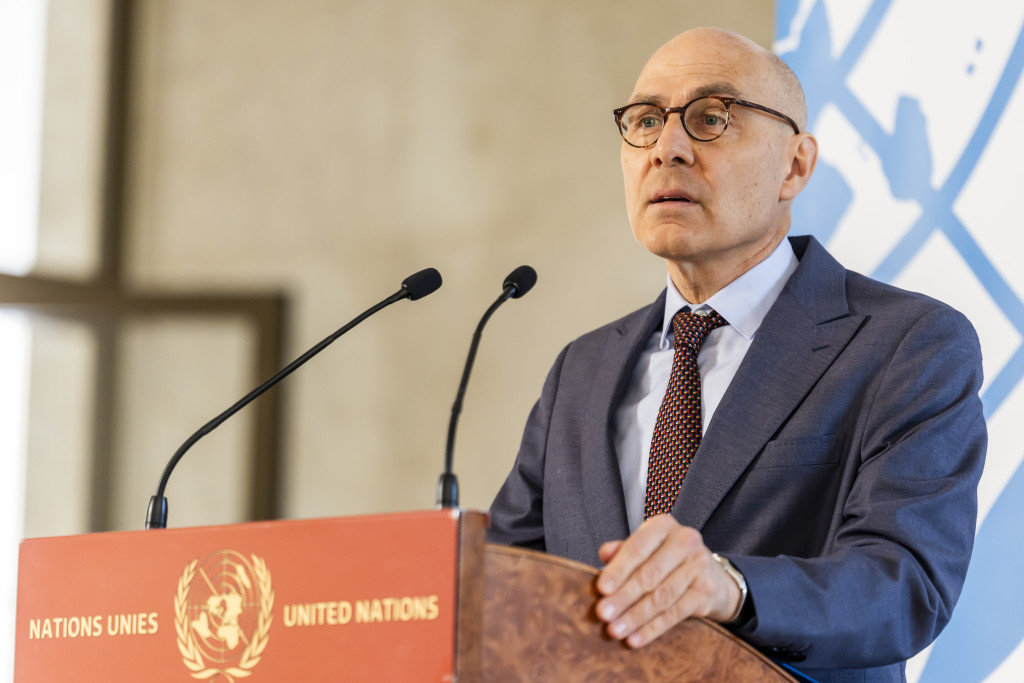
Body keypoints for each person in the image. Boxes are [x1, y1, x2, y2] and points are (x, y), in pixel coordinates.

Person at [486, 27, 986, 683]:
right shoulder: (581, 370)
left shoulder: (907, 344)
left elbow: (904, 585)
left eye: (710, 117)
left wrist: (730, 586)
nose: (667, 149)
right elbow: (504, 585)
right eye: (645, 121)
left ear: (795, 165)